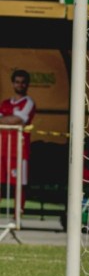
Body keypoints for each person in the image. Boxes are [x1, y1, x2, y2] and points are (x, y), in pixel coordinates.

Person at [0, 69, 36, 216]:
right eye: (17, 82)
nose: (20, 85)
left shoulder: (29, 102)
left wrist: (8, 120)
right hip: (2, 149)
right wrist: (10, 120)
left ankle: (17, 214)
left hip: (19, 151)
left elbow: (19, 120)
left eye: (23, 82)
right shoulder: (5, 103)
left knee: (19, 184)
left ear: (27, 84)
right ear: (13, 84)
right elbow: (11, 120)